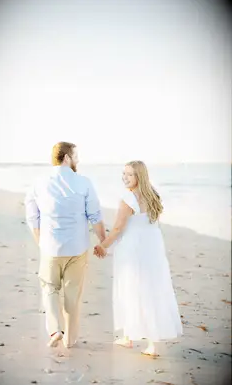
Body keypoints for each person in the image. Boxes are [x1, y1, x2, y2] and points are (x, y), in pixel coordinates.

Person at [94, 161, 182, 356]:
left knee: (134, 289)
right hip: (152, 247)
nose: (125, 178)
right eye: (124, 174)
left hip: (133, 248)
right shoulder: (153, 194)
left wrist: (103, 246)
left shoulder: (128, 198)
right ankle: (128, 336)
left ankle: (151, 344)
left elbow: (118, 228)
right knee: (149, 287)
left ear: (139, 177)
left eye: (130, 175)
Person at [25, 142, 106, 348]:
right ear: (67, 157)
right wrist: (103, 242)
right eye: (76, 156)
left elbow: (32, 217)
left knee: (50, 288)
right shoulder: (84, 182)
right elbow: (95, 215)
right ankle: (70, 340)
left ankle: (54, 330)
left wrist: (40, 241)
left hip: (50, 247)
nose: (78, 160)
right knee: (73, 294)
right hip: (77, 249)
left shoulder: (39, 183)